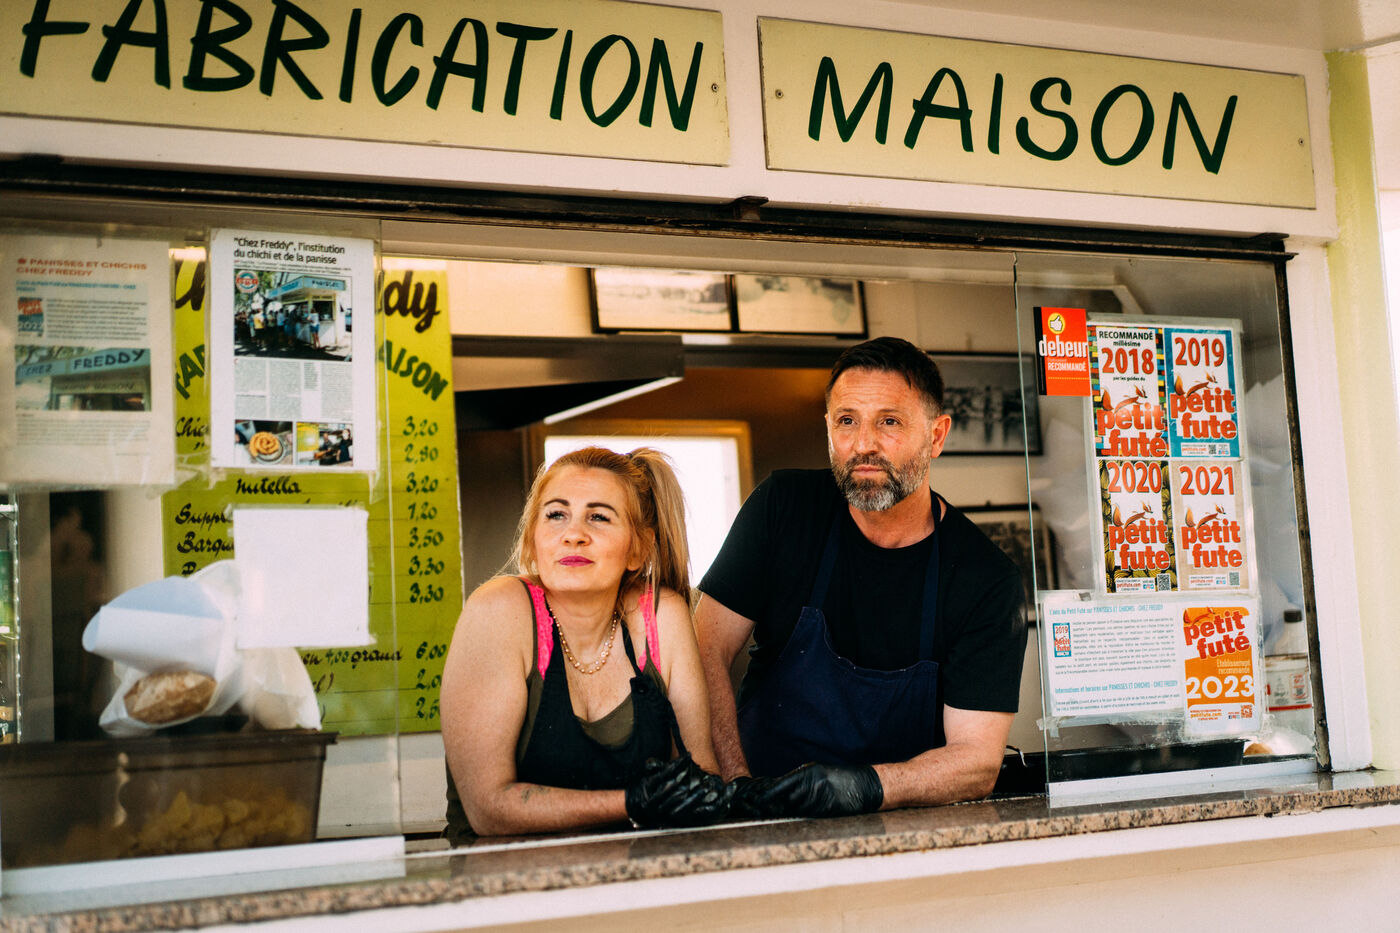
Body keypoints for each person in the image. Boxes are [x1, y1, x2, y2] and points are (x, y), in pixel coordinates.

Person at [696, 337, 1026, 819]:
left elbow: (976, 762)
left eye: (889, 422)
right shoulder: (782, 508)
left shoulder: (985, 579)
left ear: (936, 436)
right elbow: (703, 651)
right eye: (847, 421)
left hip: (900, 829)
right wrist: (736, 788)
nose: (864, 444)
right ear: (828, 428)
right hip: (759, 813)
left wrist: (865, 786)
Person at [441, 446, 729, 837]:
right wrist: (632, 803)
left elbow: (700, 775)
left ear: (638, 549)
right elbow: (488, 809)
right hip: (503, 871)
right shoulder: (498, 610)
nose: (573, 535)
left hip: (642, 868)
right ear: (533, 541)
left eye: (598, 517)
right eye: (556, 515)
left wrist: (755, 795)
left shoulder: (659, 616)